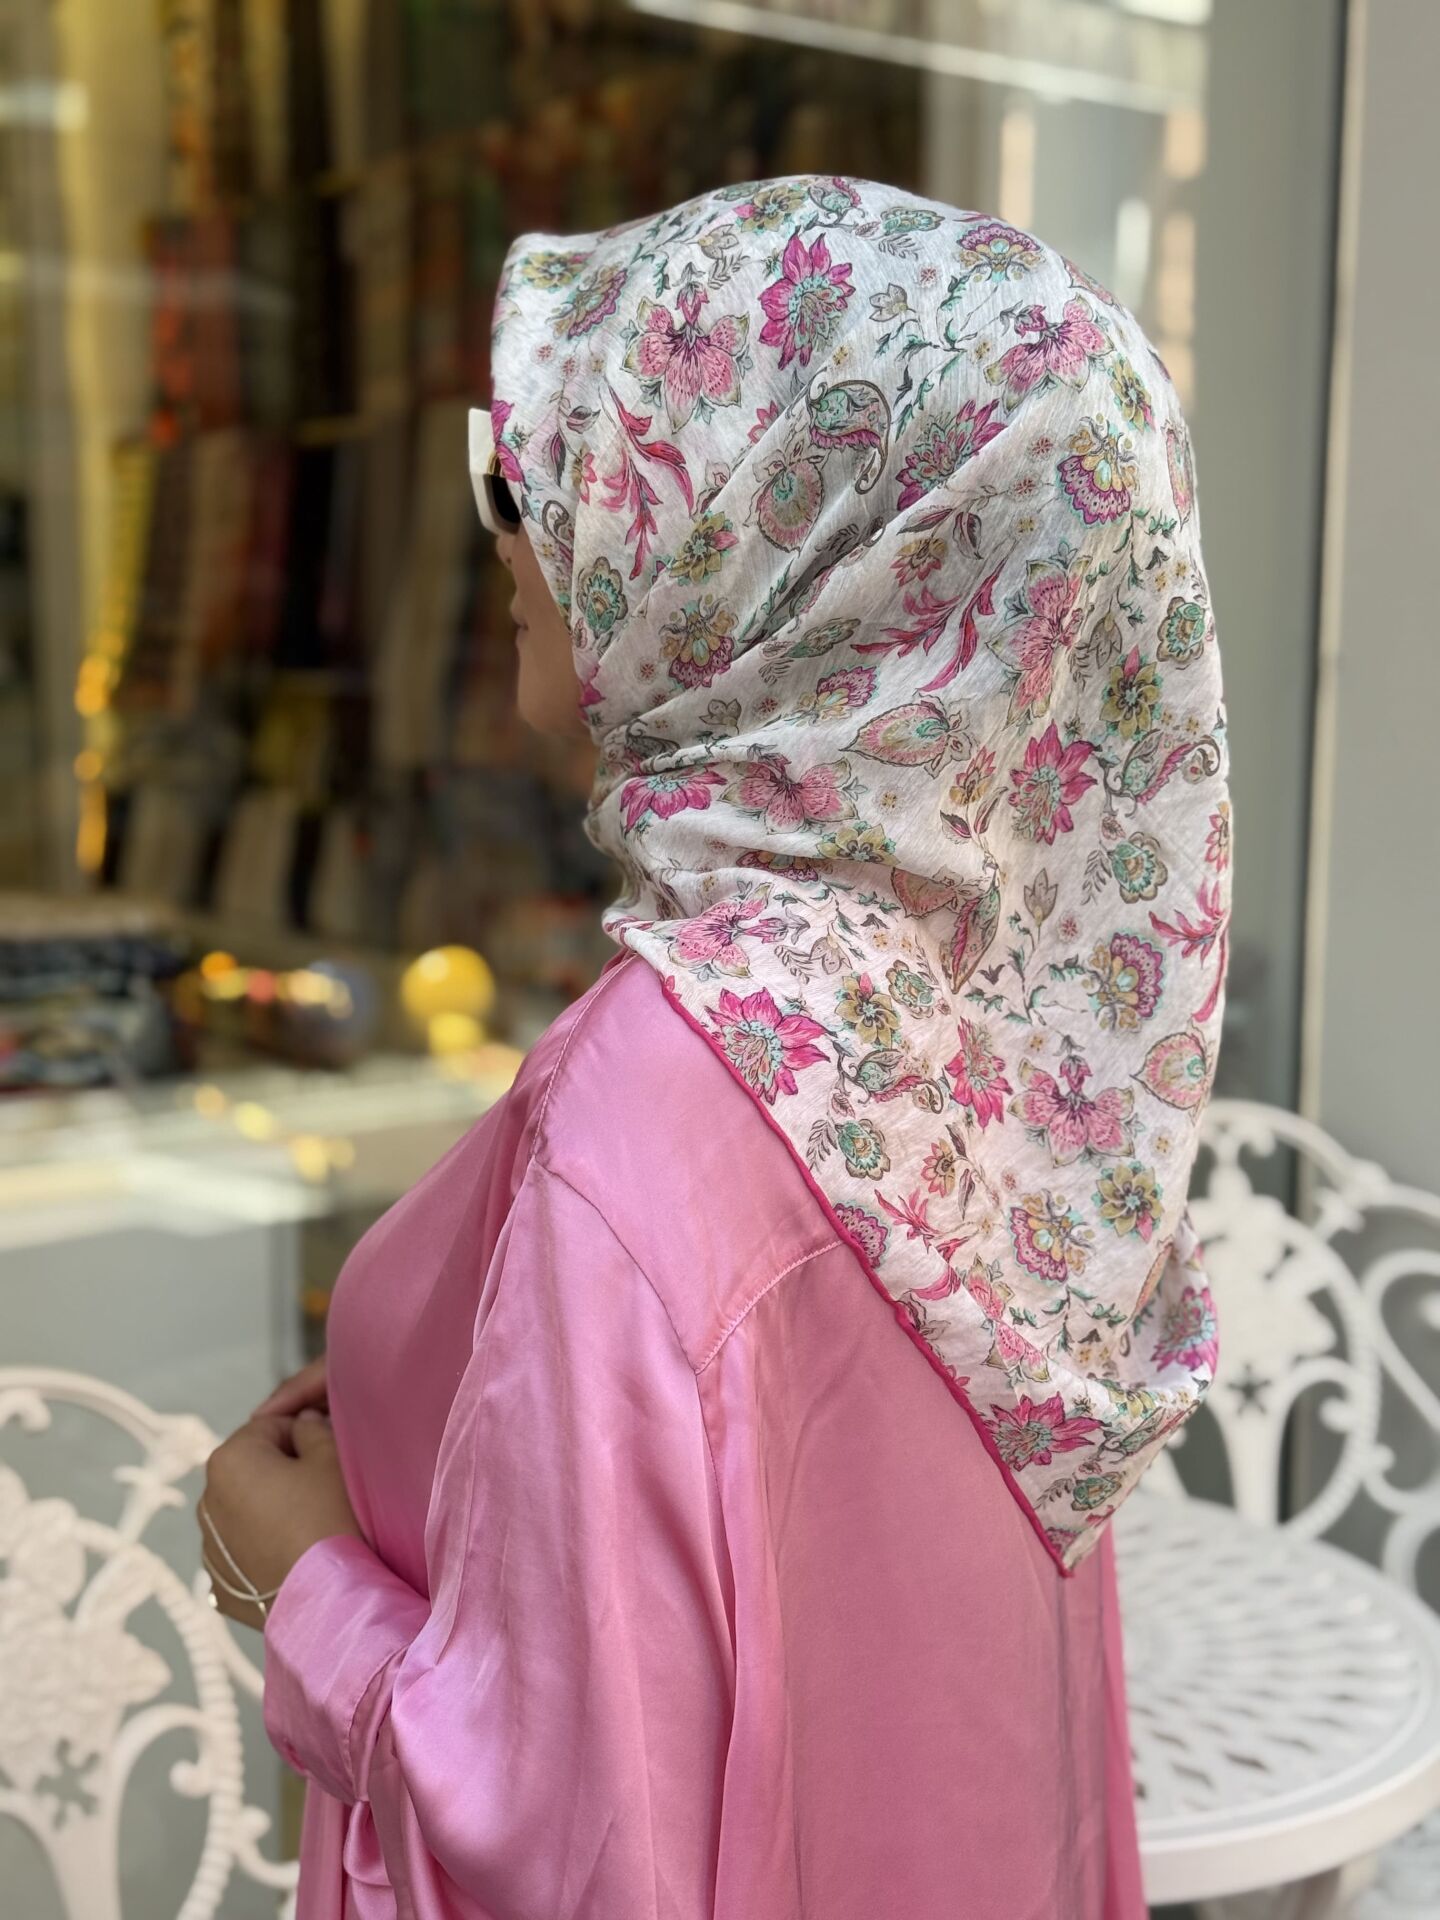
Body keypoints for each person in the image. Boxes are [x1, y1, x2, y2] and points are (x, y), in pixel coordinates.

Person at [199, 174, 1229, 1919]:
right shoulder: (984, 1045)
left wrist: (295, 1581)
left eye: (549, 470)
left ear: (771, 556)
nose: (507, 527)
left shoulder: (654, 1098)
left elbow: (559, 1850)